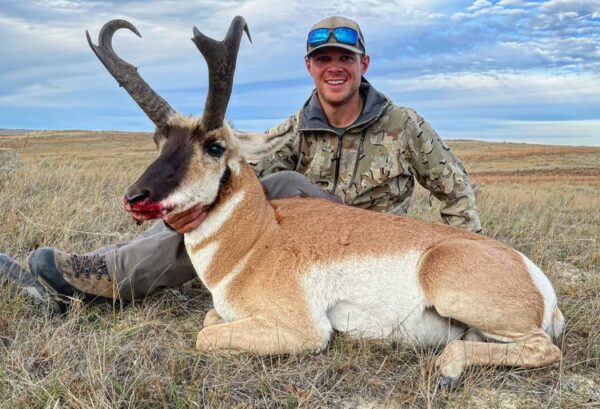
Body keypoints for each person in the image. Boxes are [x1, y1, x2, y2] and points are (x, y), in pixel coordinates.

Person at [0, 16, 481, 311]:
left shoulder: (404, 124)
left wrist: (471, 258)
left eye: (345, 57)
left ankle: (109, 274)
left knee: (285, 181)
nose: (335, 66)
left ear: (364, 64)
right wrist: (186, 200)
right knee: (231, 191)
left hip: (377, 249)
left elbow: (454, 188)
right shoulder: (294, 128)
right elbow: (238, 171)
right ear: (311, 67)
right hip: (303, 246)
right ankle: (109, 273)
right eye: (324, 58)